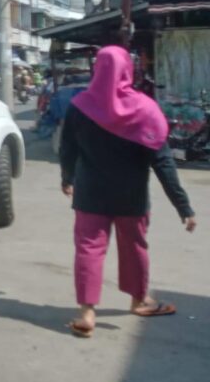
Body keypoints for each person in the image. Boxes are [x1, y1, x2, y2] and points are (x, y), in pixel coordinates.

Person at [59, 45, 196, 338]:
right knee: (135, 247)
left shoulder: (80, 106)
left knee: (88, 249)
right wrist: (183, 207)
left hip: (90, 195)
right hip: (131, 198)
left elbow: (67, 147)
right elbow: (163, 163)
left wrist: (67, 177)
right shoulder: (145, 110)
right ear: (127, 70)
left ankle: (87, 313)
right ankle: (138, 300)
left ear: (97, 69)